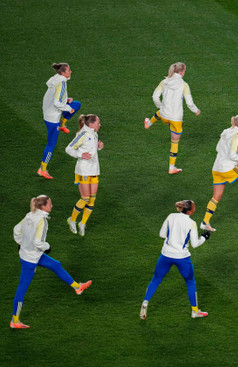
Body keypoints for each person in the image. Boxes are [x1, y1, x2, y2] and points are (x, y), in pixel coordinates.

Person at [10, 195, 92, 329]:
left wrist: (22, 244)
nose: (52, 206)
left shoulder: (30, 214)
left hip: (29, 253)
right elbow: (38, 242)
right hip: (30, 260)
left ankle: (77, 287)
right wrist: (47, 247)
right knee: (22, 289)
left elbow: (16, 230)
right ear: (43, 206)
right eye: (49, 204)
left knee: (55, 264)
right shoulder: (42, 221)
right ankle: (15, 320)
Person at [140, 200, 211, 320]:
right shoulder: (191, 223)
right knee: (190, 282)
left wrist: (173, 237)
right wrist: (204, 237)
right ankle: (195, 311)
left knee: (156, 279)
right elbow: (194, 244)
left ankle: (146, 301)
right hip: (182, 258)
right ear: (190, 210)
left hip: (165, 255)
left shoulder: (171, 216)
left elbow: (162, 234)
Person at [143, 62, 201, 174]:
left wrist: (161, 106)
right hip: (176, 119)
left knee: (160, 112)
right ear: (181, 72)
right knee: (174, 143)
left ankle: (148, 124)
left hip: (164, 115)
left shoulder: (164, 82)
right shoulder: (184, 85)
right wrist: (196, 111)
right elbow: (189, 103)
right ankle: (171, 168)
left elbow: (155, 97)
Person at [38, 63, 81, 179]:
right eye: (69, 70)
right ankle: (42, 169)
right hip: (52, 118)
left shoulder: (56, 78)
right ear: (63, 72)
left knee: (76, 104)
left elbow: (53, 93)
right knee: (51, 144)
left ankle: (62, 124)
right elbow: (56, 103)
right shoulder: (61, 82)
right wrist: (68, 108)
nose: (70, 72)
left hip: (48, 111)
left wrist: (66, 100)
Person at [65, 114, 103, 237]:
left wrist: (98, 148)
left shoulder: (94, 133)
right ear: (91, 124)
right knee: (85, 198)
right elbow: (69, 149)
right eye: (98, 123)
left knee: (92, 200)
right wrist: (80, 155)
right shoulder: (83, 134)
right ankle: (72, 220)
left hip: (94, 170)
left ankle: (82, 223)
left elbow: (91, 150)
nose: (99, 125)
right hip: (84, 170)